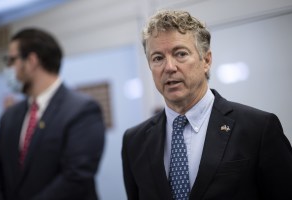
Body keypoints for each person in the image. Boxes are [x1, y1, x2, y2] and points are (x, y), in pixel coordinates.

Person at [121, 9, 292, 200]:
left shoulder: (258, 129)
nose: (169, 67)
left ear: (206, 60)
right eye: (158, 58)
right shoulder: (134, 142)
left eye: (180, 54)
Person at [0, 28, 105, 200]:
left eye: (12, 60)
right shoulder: (9, 117)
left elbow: (76, 177)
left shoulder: (82, 110)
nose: (8, 68)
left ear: (31, 61)